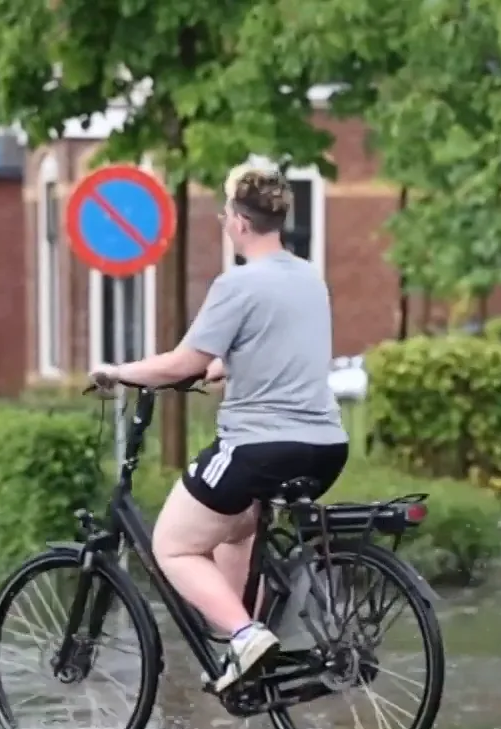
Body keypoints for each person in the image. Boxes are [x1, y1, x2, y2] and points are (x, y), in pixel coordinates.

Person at [91, 164, 349, 691]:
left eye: (226, 213)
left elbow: (181, 363)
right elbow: (282, 351)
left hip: (261, 448)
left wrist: (119, 372)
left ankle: (245, 631)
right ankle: (246, 656)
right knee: (235, 528)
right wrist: (229, 366)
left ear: (238, 222)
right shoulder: (309, 277)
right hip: (326, 447)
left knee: (173, 546)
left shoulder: (237, 283)